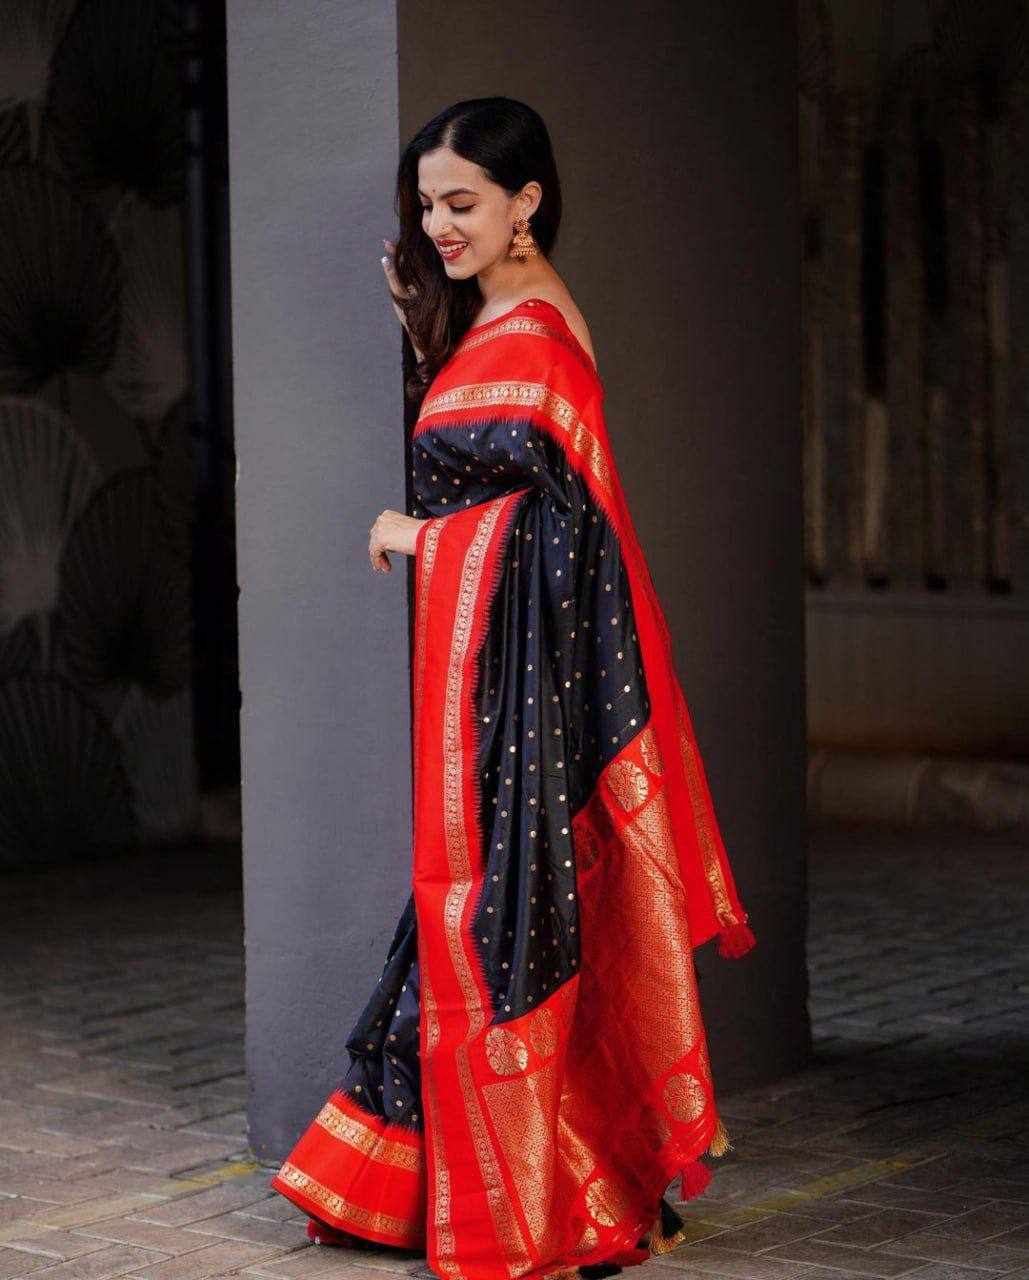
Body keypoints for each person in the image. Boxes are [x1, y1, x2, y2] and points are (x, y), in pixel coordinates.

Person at [269, 96, 755, 1280]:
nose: (439, 223)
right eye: (427, 204)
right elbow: (489, 467)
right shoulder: (493, 316)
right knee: (501, 916)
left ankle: (567, 1190)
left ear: (526, 200)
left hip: (535, 694)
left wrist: (424, 537)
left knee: (513, 919)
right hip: (501, 691)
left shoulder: (538, 333)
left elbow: (565, 535)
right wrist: (422, 338)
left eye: (463, 202)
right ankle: (503, 1182)